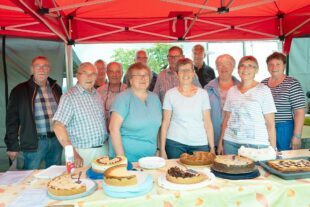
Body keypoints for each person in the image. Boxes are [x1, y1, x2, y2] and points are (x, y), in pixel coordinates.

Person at [4, 56, 62, 170]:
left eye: (45, 66)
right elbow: (12, 120)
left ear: (49, 69)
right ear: (32, 69)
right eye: (38, 66)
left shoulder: (56, 88)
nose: (41, 69)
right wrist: (12, 146)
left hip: (56, 140)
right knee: (29, 177)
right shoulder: (19, 90)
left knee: (55, 174)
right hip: (34, 142)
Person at [217, 56, 277, 155]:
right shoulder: (232, 90)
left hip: (256, 145)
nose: (245, 69)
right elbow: (226, 119)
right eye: (242, 66)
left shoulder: (263, 90)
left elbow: (270, 123)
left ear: (256, 70)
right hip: (231, 143)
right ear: (238, 69)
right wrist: (220, 142)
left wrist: (273, 148)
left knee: (257, 171)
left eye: (250, 66)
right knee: (230, 170)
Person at [53, 62, 108, 167]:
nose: (89, 77)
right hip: (81, 153)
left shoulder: (97, 94)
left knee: (101, 182)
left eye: (93, 74)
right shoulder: (69, 97)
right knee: (81, 182)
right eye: (85, 73)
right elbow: (58, 126)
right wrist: (73, 153)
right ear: (77, 75)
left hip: (102, 150)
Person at [160, 58, 215, 159]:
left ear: (193, 73)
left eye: (188, 70)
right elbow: (165, 123)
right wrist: (162, 149)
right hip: (175, 143)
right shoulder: (170, 94)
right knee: (177, 172)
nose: (185, 74)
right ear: (177, 74)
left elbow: (208, 123)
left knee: (201, 173)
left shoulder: (203, 94)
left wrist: (212, 147)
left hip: (200, 143)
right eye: (182, 70)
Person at [109, 62, 162, 162]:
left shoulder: (155, 98)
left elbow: (158, 128)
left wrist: (158, 149)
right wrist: (121, 159)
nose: (143, 78)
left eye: (146, 75)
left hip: (150, 158)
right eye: (138, 75)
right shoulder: (123, 98)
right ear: (130, 80)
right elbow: (113, 128)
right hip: (127, 159)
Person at [262, 52, 306, 150]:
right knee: (267, 157)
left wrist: (296, 136)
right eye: (271, 64)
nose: (274, 67)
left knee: (285, 159)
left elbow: (299, 112)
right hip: (265, 128)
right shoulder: (263, 84)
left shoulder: (292, 83)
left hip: (284, 129)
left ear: (284, 66)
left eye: (278, 64)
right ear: (267, 66)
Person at [205, 54, 239, 151]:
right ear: (216, 67)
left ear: (233, 66)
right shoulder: (208, 89)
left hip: (235, 139)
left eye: (227, 64)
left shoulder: (241, 88)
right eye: (220, 64)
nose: (223, 67)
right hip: (212, 139)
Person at [97, 62, 127, 128]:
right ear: (107, 73)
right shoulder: (99, 91)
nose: (114, 75)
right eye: (111, 72)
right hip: (103, 130)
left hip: (124, 131)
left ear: (122, 73)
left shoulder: (129, 91)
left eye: (118, 72)